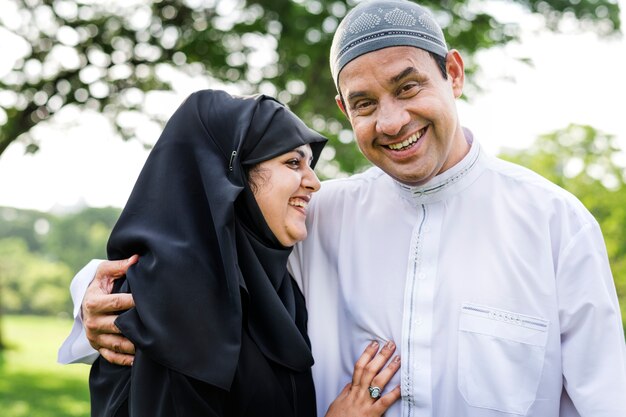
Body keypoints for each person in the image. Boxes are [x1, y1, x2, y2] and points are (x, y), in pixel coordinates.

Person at [60, 1, 626, 416]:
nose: (391, 122)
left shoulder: (555, 223)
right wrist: (95, 299)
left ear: (452, 72)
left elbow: (605, 400)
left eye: (408, 88)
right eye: (364, 103)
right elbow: (198, 248)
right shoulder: (321, 216)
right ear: (342, 108)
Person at [63, 88, 401, 417]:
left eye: (309, 164)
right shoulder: (171, 304)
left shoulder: (277, 289)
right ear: (232, 176)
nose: (314, 181)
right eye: (293, 162)